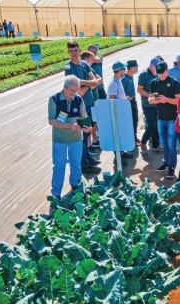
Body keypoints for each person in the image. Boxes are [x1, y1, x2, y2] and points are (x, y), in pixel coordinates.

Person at [48, 76, 91, 198]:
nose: (74, 94)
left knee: (76, 164)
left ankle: (75, 186)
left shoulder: (78, 100)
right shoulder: (54, 99)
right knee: (59, 166)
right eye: (71, 91)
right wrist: (69, 125)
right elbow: (52, 121)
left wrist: (87, 127)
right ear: (64, 87)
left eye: (76, 91)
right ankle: (56, 193)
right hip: (59, 139)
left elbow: (84, 118)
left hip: (76, 139)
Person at [65, 40, 102, 174]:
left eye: (76, 50)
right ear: (68, 52)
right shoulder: (69, 68)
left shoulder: (85, 64)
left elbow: (98, 80)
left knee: (86, 134)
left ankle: (87, 159)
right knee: (81, 136)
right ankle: (84, 164)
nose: (74, 53)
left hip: (88, 104)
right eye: (71, 51)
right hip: (78, 107)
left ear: (79, 50)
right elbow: (78, 92)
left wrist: (83, 82)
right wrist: (90, 84)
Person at [149, 61, 180, 179]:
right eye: (158, 73)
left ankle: (172, 167)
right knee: (163, 144)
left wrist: (166, 99)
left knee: (172, 144)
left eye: (162, 73)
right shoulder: (154, 82)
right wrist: (154, 101)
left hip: (172, 118)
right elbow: (149, 99)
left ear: (167, 71)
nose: (160, 75)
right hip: (160, 118)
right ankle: (167, 163)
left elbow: (179, 100)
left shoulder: (174, 83)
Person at [107, 60, 134, 160]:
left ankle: (121, 153)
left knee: (121, 134)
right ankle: (117, 157)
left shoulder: (118, 82)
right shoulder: (113, 84)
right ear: (120, 70)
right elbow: (112, 100)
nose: (125, 71)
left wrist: (125, 99)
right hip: (116, 114)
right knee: (117, 134)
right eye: (124, 69)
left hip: (121, 112)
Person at [138, 57, 162, 152]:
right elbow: (139, 89)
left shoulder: (158, 74)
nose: (157, 69)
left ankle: (156, 145)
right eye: (156, 67)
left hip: (157, 104)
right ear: (151, 65)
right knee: (151, 125)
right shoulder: (144, 75)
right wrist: (150, 96)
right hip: (147, 105)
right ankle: (143, 142)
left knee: (156, 125)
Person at [80, 51, 102, 151]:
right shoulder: (81, 68)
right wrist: (91, 83)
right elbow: (80, 90)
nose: (93, 62)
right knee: (86, 126)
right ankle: (88, 146)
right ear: (85, 59)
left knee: (92, 123)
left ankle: (90, 145)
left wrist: (89, 83)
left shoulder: (90, 68)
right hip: (84, 102)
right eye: (91, 60)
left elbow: (98, 80)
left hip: (91, 100)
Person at [122, 60, 140, 145]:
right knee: (130, 121)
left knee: (135, 119)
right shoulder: (124, 78)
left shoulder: (131, 76)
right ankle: (131, 139)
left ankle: (134, 137)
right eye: (136, 67)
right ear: (131, 68)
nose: (136, 68)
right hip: (127, 103)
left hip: (133, 101)